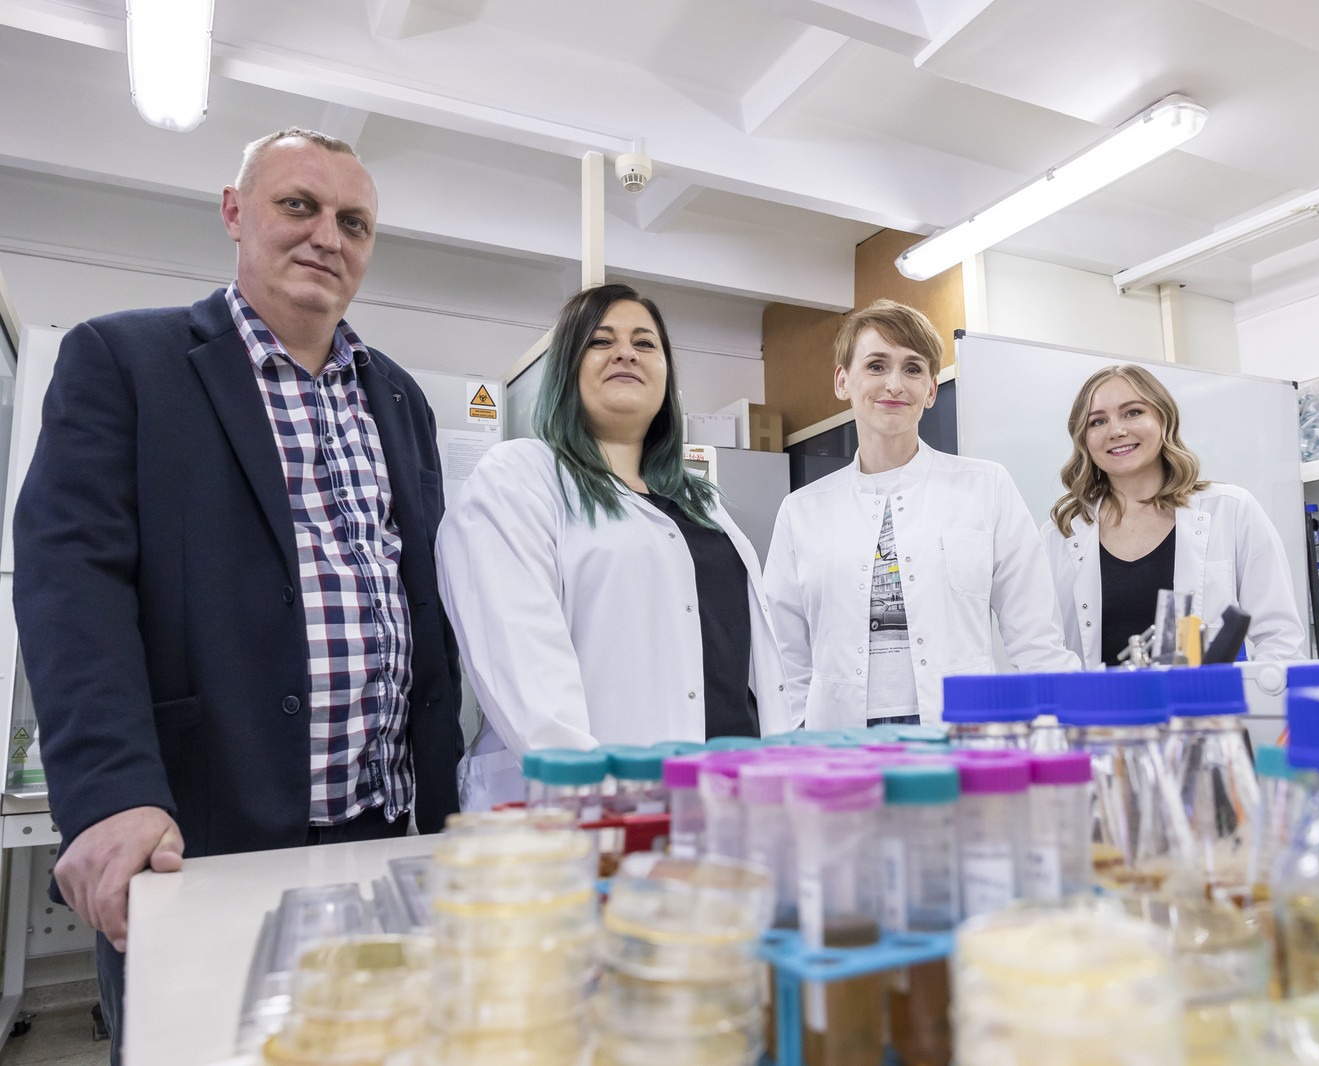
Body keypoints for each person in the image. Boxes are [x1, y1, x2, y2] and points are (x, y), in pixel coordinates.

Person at [11, 127, 463, 1061]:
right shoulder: (126, 361)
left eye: (354, 223)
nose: (327, 236)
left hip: (380, 832)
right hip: (198, 839)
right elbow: (71, 581)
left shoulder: (401, 399)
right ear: (234, 211)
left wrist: (449, 800)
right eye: (298, 206)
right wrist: (108, 794)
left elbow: (421, 602)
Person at [436, 283, 792, 809]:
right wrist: (605, 805)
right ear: (567, 368)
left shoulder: (701, 502)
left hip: (730, 800)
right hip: (597, 814)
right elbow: (530, 683)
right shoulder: (519, 479)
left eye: (645, 343)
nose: (626, 352)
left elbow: (746, 670)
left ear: (666, 376)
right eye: (601, 341)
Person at [765, 299, 1077, 730]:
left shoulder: (986, 487)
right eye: (876, 365)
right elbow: (784, 650)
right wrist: (798, 734)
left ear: (931, 389)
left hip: (961, 727)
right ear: (843, 381)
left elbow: (1035, 636)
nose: (894, 384)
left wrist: (1071, 724)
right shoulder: (802, 510)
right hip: (839, 734)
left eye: (912, 368)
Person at [1042, 363, 1305, 667]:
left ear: (1163, 418)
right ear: (1083, 438)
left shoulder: (1230, 509)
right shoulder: (1060, 533)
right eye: (1097, 421)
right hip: (1099, 699)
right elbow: (1043, 647)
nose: (1116, 431)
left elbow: (1279, 638)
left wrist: (1252, 692)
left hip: (1207, 698)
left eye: (1133, 412)